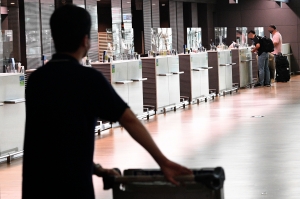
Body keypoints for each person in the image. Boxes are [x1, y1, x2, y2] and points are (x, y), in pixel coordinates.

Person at [22, 4, 192, 199]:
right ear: (85, 41)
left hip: (35, 189)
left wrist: (97, 169)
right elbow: (128, 119)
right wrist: (163, 162)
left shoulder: (36, 81)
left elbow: (52, 142)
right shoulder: (88, 79)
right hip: (73, 190)